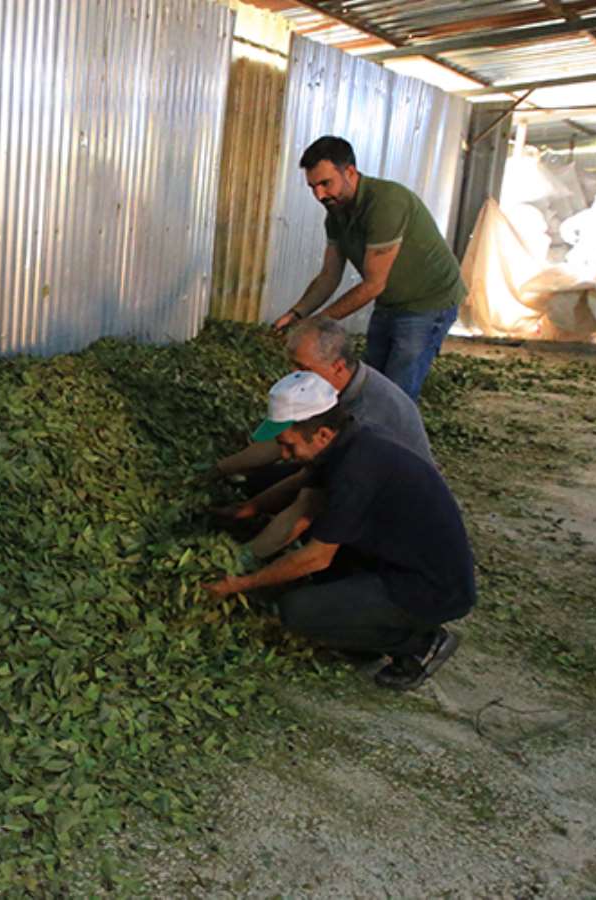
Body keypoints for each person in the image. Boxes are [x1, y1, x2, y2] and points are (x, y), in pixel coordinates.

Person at [203, 371, 475, 691]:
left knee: (297, 611)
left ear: (320, 434)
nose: (285, 455)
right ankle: (360, 622)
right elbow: (304, 487)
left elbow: (316, 558)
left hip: (429, 587)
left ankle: (419, 644)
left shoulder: (357, 470)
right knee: (299, 517)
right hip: (394, 555)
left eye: (289, 445)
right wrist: (250, 509)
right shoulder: (349, 438)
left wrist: (240, 583)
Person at [215, 317, 433, 557]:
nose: (294, 375)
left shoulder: (362, 415)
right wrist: (219, 471)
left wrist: (241, 562)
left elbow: (309, 498)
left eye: (304, 369)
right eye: (292, 366)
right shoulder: (334, 387)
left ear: (338, 366)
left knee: (317, 531)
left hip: (390, 504)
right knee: (259, 480)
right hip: (355, 472)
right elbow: (286, 440)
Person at [273, 136, 466, 401]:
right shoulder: (336, 214)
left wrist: (318, 323)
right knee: (369, 380)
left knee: (397, 391)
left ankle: (395, 438)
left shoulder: (386, 204)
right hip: (390, 302)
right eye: (312, 186)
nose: (319, 195)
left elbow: (374, 284)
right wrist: (297, 313)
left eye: (325, 183)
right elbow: (329, 276)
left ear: (350, 172)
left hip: (429, 301)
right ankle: (365, 434)